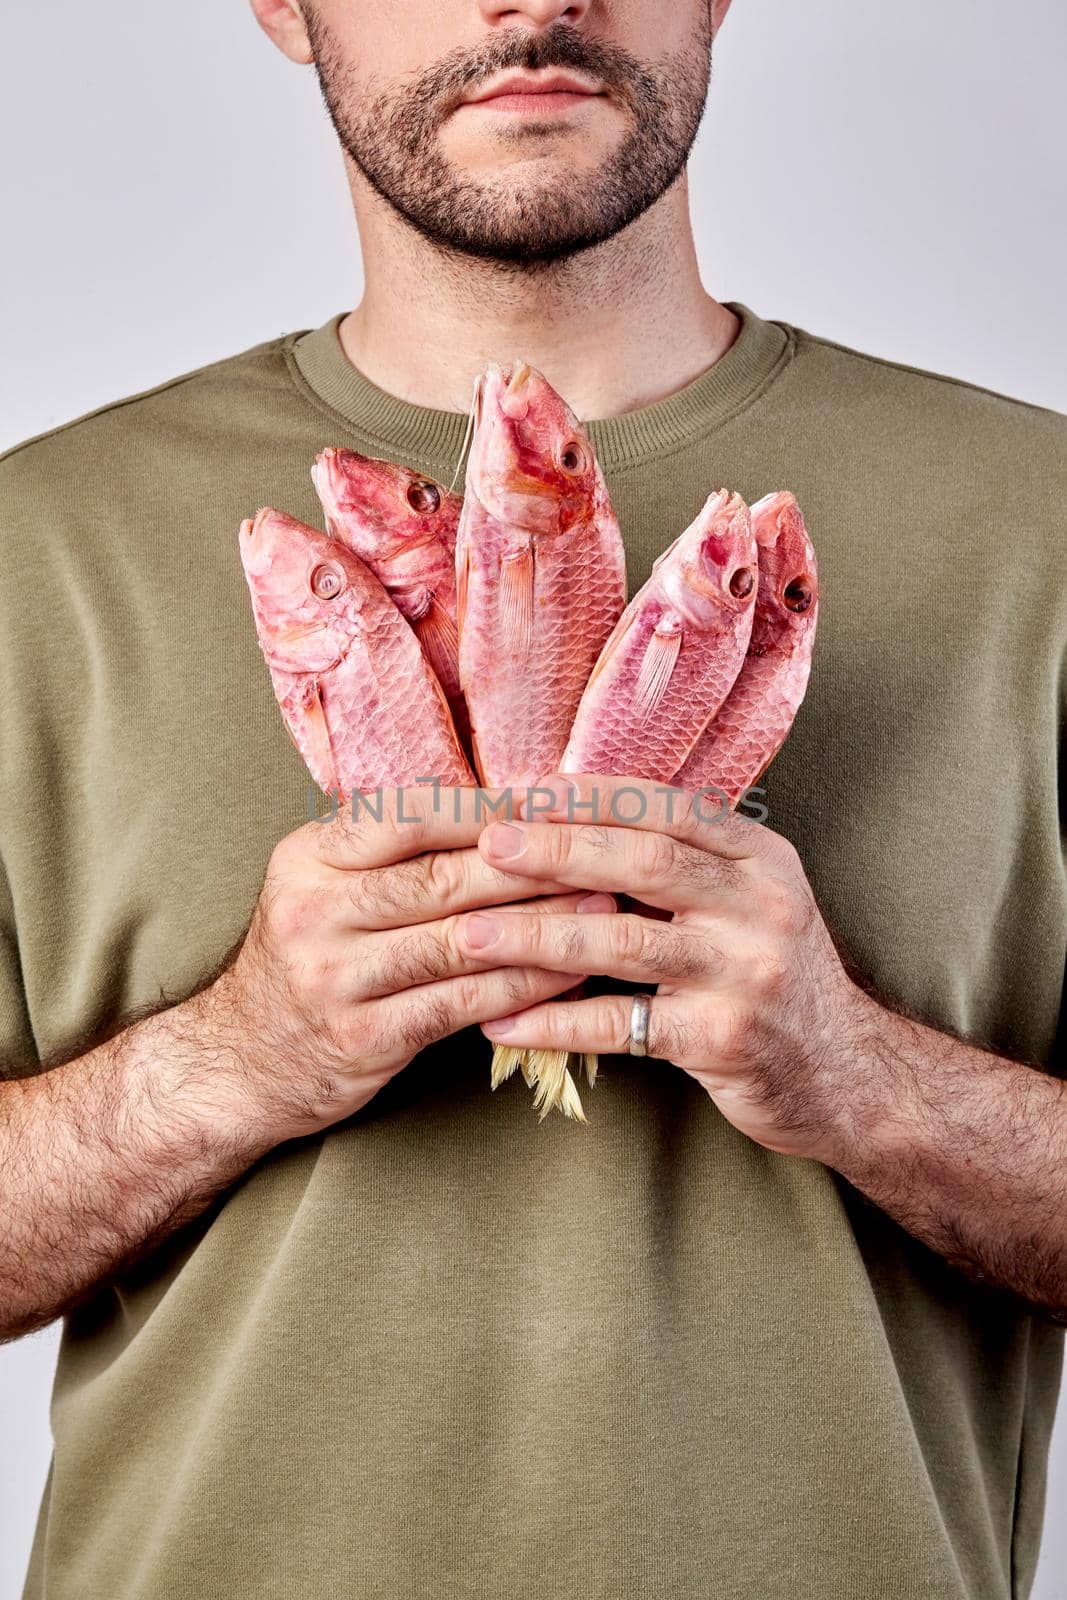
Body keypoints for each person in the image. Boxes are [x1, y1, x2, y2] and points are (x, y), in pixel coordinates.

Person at [1, 1, 1064, 1596]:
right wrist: (237, 1059)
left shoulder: (1039, 529)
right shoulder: (34, 551)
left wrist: (862, 1077)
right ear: (284, 4)